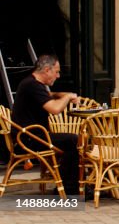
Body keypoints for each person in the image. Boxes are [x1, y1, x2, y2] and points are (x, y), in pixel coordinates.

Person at [11, 55, 80, 196]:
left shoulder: (32, 83)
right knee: (73, 140)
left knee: (72, 141)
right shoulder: (32, 85)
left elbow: (48, 95)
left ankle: (68, 184)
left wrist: (62, 94)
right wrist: (67, 97)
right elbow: (55, 109)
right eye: (57, 72)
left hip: (30, 136)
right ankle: (70, 188)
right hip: (30, 139)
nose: (58, 76)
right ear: (47, 70)